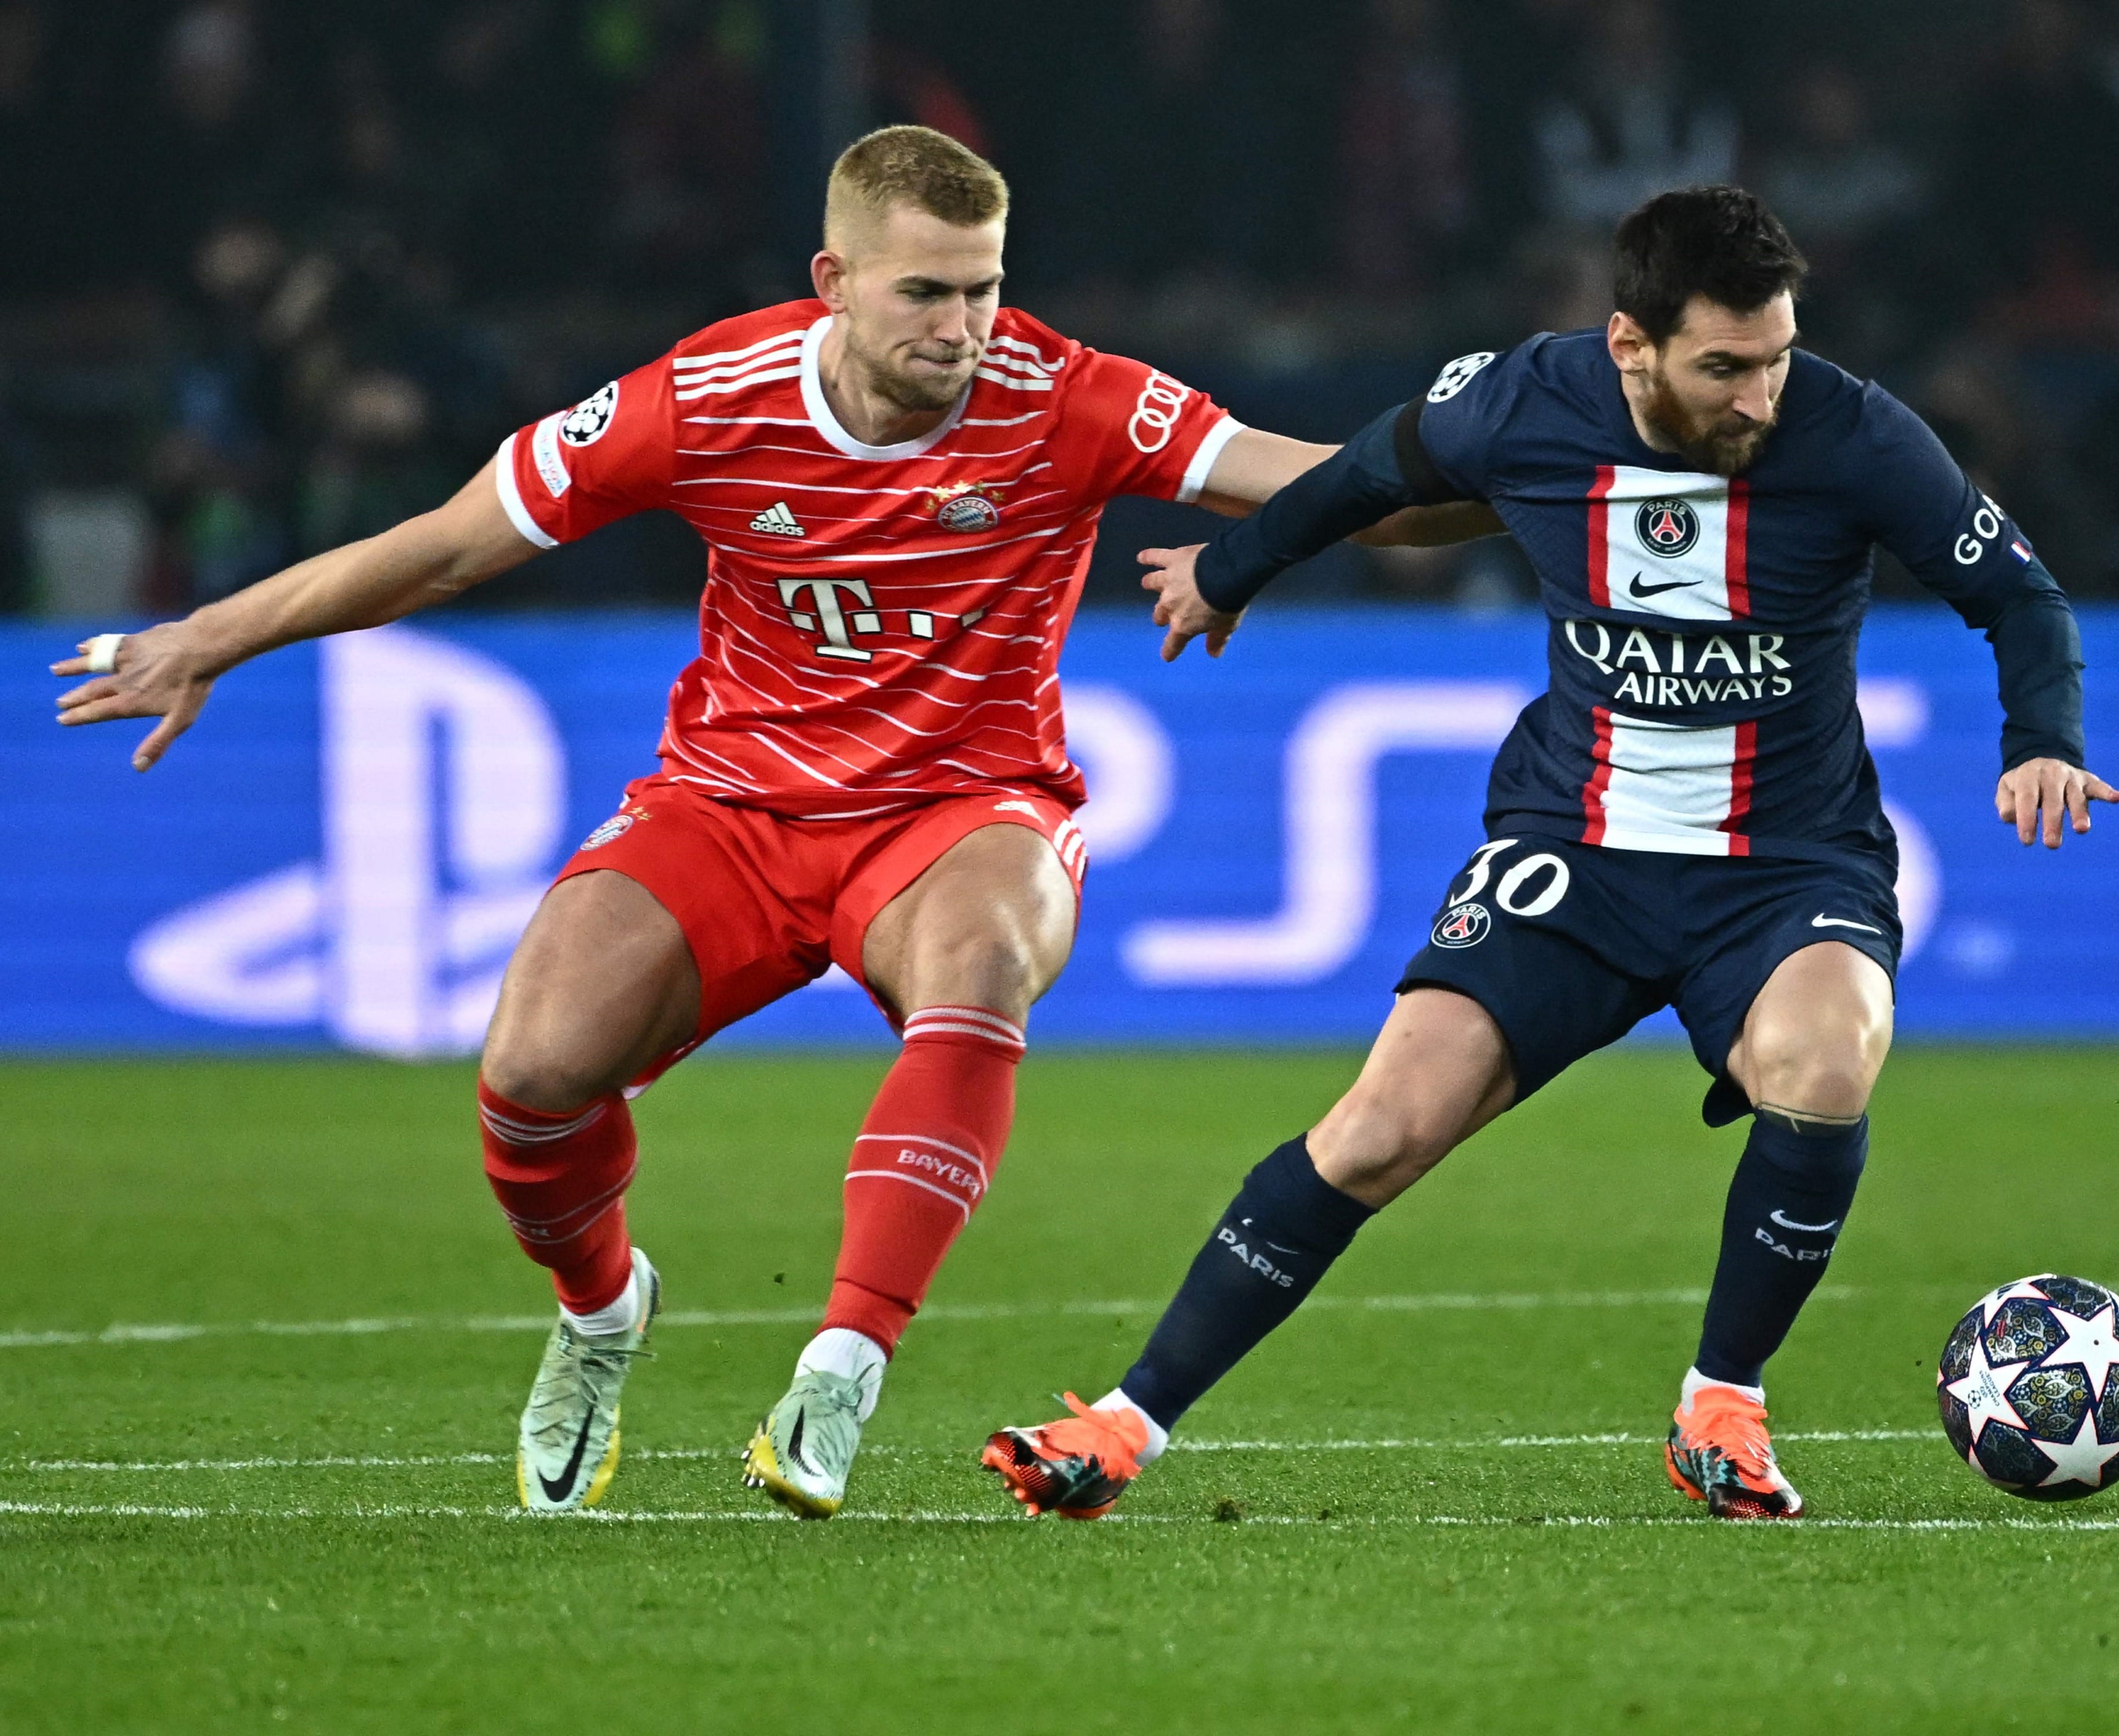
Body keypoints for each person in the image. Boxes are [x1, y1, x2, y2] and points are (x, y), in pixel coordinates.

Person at [51, 126, 1478, 1519]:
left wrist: (1529, 472)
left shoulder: (1072, 397)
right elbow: (445, 548)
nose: (964, 322)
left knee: (979, 965)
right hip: (731, 806)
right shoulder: (701, 398)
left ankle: (843, 1364)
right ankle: (603, 1312)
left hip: (965, 807)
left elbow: (1340, 491)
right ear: (835, 281)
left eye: (982, 285)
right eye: (925, 290)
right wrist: (210, 636)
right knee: (534, 1072)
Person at [982, 186, 2119, 1522]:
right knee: (1376, 1132)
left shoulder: (1859, 432)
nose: (1761, 396)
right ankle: (1123, 1428)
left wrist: (2039, 738)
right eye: (1725, 367)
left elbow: (2019, 595)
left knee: (1825, 1060)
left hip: (1787, 864)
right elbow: (1364, 473)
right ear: (1630, 343)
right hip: (1574, 850)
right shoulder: (1523, 402)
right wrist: (1228, 572)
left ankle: (1724, 1407)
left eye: (1777, 358)